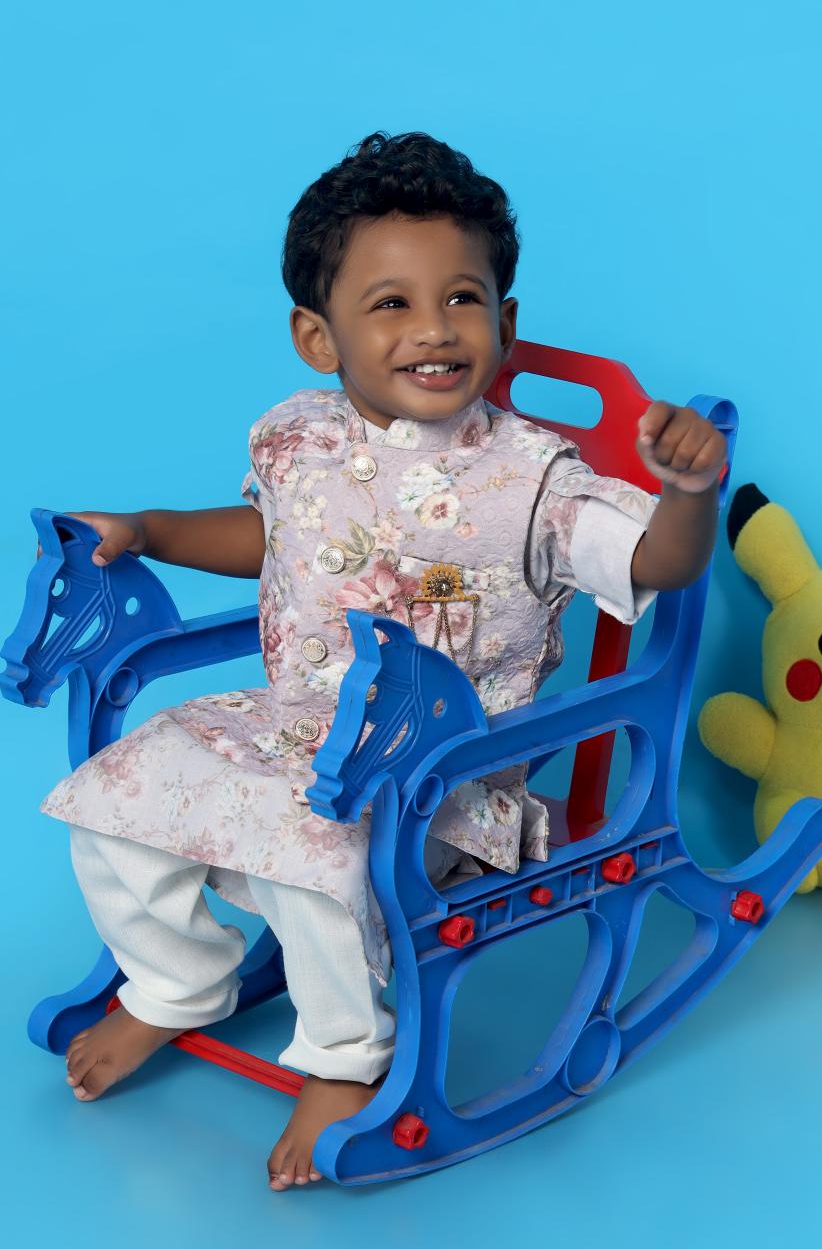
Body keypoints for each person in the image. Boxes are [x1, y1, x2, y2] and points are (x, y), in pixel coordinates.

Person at [40, 132, 727, 1188]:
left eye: (462, 299)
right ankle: (176, 983)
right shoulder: (299, 439)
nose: (434, 329)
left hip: (439, 773)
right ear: (318, 337)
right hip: (292, 724)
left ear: (506, 323)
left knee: (318, 849)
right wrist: (150, 529)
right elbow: (272, 537)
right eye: (391, 304)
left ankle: (345, 1057)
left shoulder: (534, 481)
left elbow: (658, 565)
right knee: (111, 796)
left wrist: (686, 495)